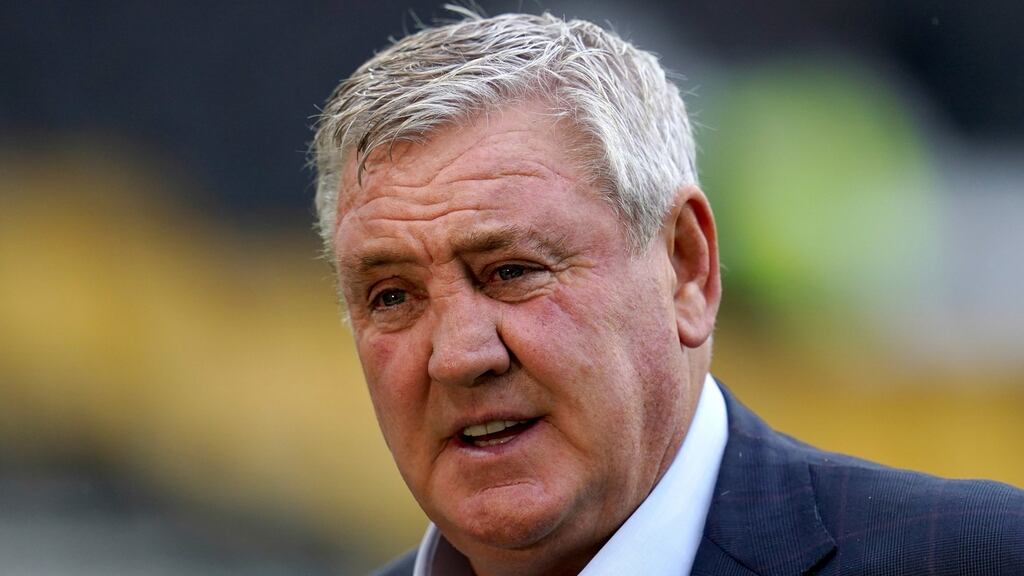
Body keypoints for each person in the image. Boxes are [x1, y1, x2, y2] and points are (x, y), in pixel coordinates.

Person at [311, 10, 1024, 576]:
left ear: (685, 268)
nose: (460, 355)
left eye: (511, 271)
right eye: (393, 297)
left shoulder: (975, 558)